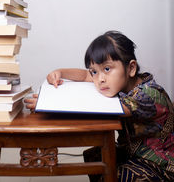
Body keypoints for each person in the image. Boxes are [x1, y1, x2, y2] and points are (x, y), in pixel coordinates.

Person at [24, 30, 174, 182]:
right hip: (133, 152)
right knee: (95, 155)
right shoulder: (118, 84)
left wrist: (50, 104)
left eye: (107, 69)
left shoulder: (148, 95)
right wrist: (60, 72)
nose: (100, 79)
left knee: (122, 174)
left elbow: (101, 108)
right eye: (95, 71)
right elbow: (85, 75)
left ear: (131, 68)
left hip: (161, 164)